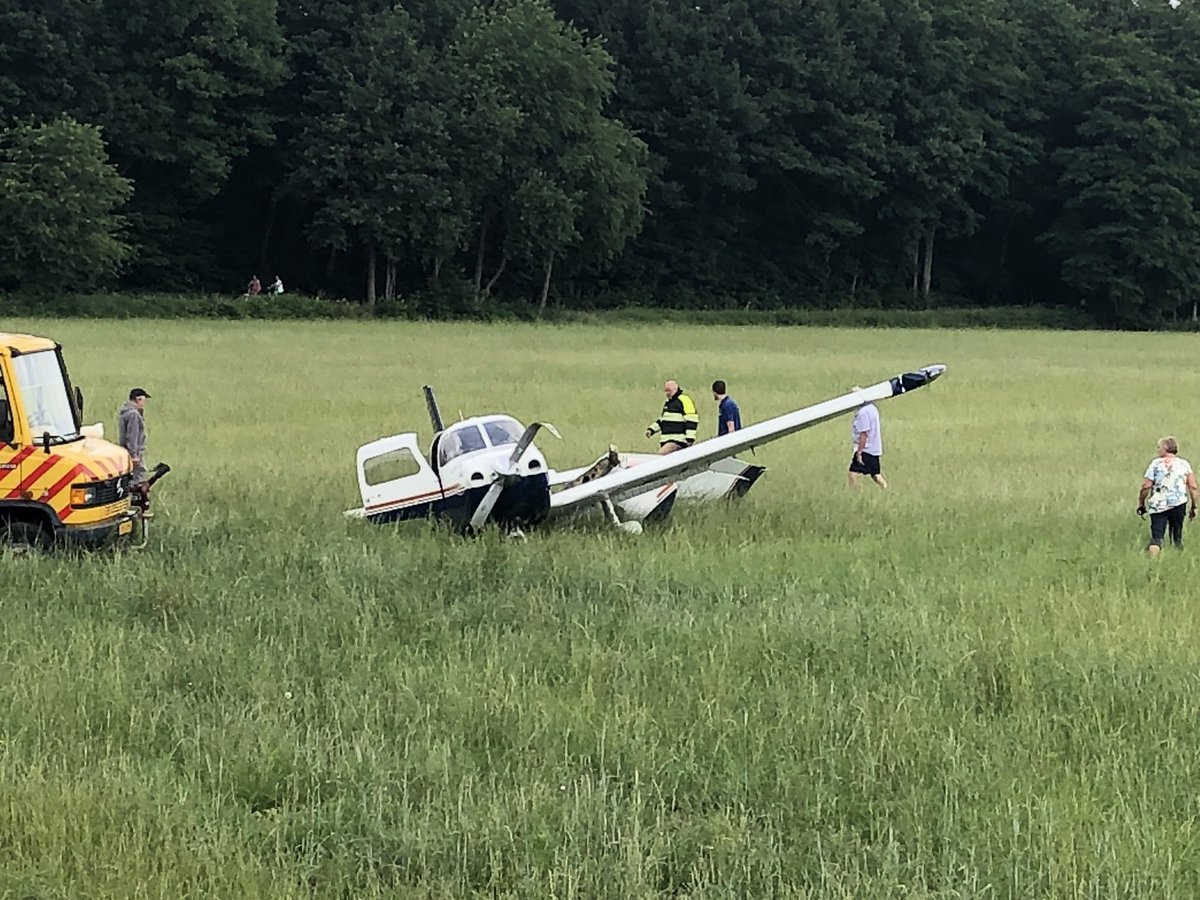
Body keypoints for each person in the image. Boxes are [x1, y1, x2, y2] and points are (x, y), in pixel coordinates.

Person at [1137, 436, 1198, 557]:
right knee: (1177, 536)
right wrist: (1194, 506)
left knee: (1157, 536)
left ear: (1165, 448)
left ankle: (1152, 562)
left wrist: (1141, 502)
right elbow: (1193, 487)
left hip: (1159, 505)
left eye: (1159, 447)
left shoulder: (1155, 464)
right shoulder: (1184, 464)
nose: (1158, 450)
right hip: (1179, 504)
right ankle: (1178, 558)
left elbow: (1146, 486)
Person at [645, 380, 698, 454]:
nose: (667, 393)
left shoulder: (684, 400)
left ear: (675, 388)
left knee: (658, 458)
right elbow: (663, 420)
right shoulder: (669, 403)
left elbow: (692, 419)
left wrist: (690, 439)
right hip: (666, 441)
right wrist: (651, 430)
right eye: (665, 391)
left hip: (677, 441)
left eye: (668, 391)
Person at [848, 388, 887, 488]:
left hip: (866, 449)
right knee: (875, 474)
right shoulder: (872, 408)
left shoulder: (862, 413)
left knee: (852, 474)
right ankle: (885, 488)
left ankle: (855, 495)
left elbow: (864, 433)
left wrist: (859, 452)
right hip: (875, 448)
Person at [118, 388, 151, 488]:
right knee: (137, 481)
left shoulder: (125, 411)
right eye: (143, 400)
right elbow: (132, 435)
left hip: (126, 451)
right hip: (134, 453)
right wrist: (134, 455)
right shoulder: (133, 414)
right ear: (138, 399)